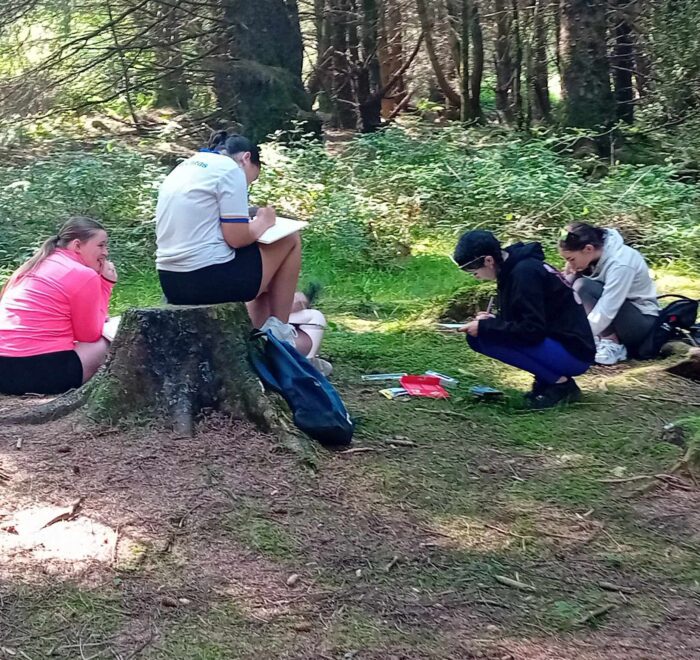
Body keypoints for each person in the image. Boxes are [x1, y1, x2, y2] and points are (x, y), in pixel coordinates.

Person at [155, 130, 301, 345]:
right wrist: (264, 221)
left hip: (171, 281)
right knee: (291, 239)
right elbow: (237, 239)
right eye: (251, 181)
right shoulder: (230, 169)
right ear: (246, 158)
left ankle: (254, 340)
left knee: (269, 271)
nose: (247, 187)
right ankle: (281, 334)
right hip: (207, 279)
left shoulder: (188, 166)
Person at [453, 230, 596, 409]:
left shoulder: (524, 273)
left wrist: (488, 327)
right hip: (559, 342)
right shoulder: (512, 268)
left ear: (488, 261)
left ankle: (560, 385)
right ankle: (550, 379)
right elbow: (524, 318)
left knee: (481, 336)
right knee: (480, 335)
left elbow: (531, 330)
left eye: (473, 271)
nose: (475, 277)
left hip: (574, 353)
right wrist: (492, 320)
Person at [0, 217, 117, 395]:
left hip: (4, 371)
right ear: (77, 245)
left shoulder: (34, 266)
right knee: (112, 337)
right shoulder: (83, 274)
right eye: (101, 245)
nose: (106, 252)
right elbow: (89, 335)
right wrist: (106, 284)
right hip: (42, 374)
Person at [558, 223, 659, 365]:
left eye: (571, 259)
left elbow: (607, 308)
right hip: (618, 315)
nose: (570, 264)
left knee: (583, 287)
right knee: (571, 282)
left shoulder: (621, 264)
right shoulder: (594, 255)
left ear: (588, 249)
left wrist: (579, 336)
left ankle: (612, 343)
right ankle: (597, 337)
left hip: (641, 323)